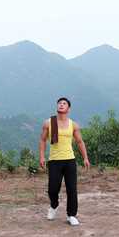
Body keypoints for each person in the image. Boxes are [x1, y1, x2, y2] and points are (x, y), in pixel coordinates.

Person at [38, 97, 90, 226]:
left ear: (68, 108)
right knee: (52, 189)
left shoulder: (73, 124)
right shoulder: (49, 123)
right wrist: (42, 156)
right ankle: (54, 205)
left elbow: (79, 141)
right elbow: (43, 140)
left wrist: (85, 157)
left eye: (64, 103)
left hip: (69, 160)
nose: (61, 105)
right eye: (59, 103)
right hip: (54, 161)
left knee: (72, 189)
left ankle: (71, 215)